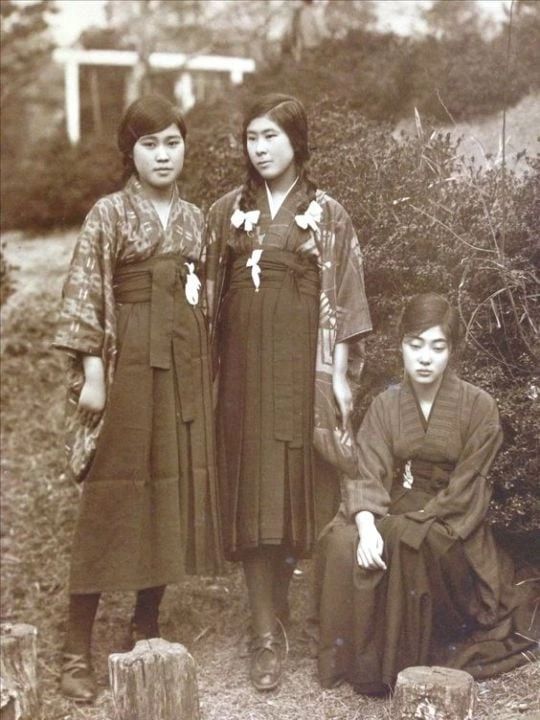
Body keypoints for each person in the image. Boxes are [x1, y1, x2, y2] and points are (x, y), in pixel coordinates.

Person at [54, 95, 223, 702]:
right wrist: (94, 373)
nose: (161, 155)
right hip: (125, 366)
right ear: (129, 151)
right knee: (110, 500)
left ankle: (144, 625)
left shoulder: (195, 219)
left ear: (185, 148)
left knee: (169, 493)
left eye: (172, 143)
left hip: (179, 371)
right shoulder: (109, 213)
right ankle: (75, 647)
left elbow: (204, 301)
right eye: (148, 144)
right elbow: (86, 290)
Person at [204, 93, 372, 691]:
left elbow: (347, 301)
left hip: (305, 371)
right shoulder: (226, 212)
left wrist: (342, 378)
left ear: (297, 141)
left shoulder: (328, 214)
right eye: (252, 136)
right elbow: (204, 303)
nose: (261, 147)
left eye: (272, 135)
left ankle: (281, 613)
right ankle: (262, 633)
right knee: (254, 491)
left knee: (298, 488)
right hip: (245, 373)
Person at [316, 293, 538, 694]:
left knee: (407, 540)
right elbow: (367, 469)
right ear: (401, 344)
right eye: (414, 345)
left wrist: (405, 524)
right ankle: (354, 660)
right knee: (340, 539)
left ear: (451, 351)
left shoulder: (479, 406)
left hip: (452, 521)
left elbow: (470, 487)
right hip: (399, 500)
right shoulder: (386, 405)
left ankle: (395, 663)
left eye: (437, 347)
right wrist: (366, 523)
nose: (424, 358)